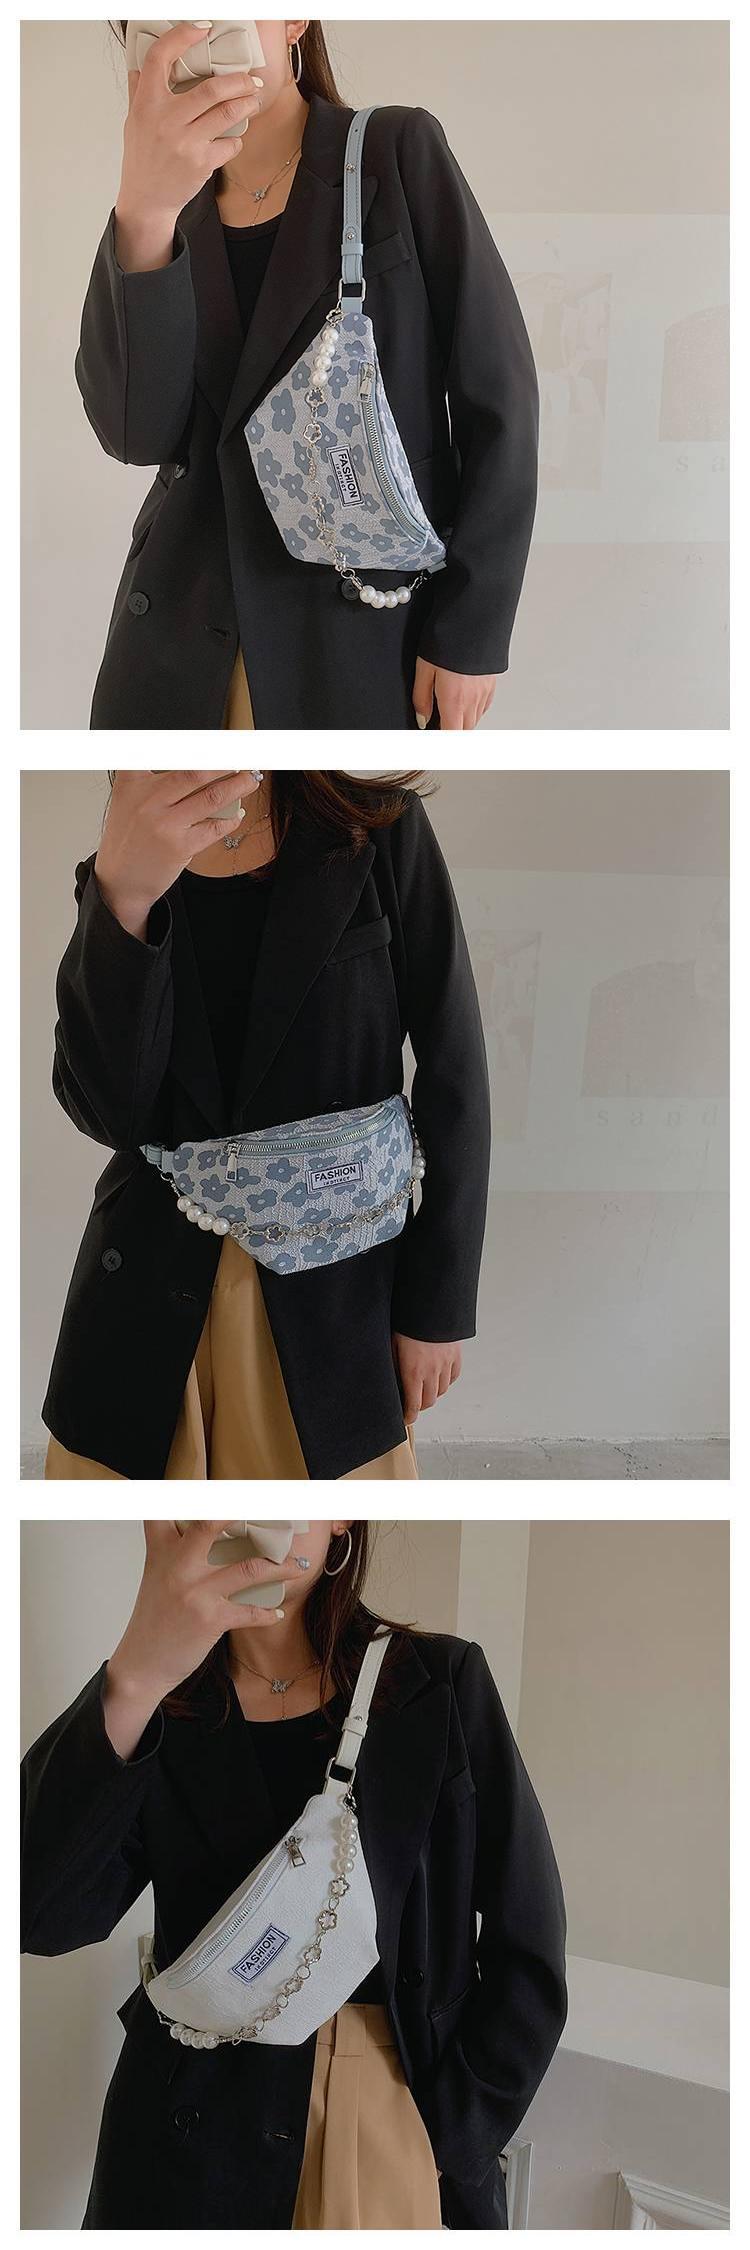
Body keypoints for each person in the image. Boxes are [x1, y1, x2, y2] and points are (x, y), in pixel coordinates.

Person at [20, 1520, 569, 2229]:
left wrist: (449, 2136)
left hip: (388, 2110)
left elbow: (529, 1930)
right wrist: (136, 1674)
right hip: (190, 2131)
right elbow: (38, 1915)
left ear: (341, 1515)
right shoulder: (164, 1699)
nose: (254, 1520)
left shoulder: (436, 1681)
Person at [75, 19, 540, 730]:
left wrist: (472, 630)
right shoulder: (163, 210)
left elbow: (498, 395)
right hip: (180, 637)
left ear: (295, 18)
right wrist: (144, 209)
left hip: (354, 634)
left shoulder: (393, 150)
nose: (193, 28)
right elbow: (136, 435)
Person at [42, 769, 492, 1480]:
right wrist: (124, 900)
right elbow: (105, 1112)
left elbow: (454, 1066)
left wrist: (437, 1307)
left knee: (319, 1530)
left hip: (341, 1306)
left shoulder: (378, 824)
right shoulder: (133, 848)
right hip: (151, 1306)